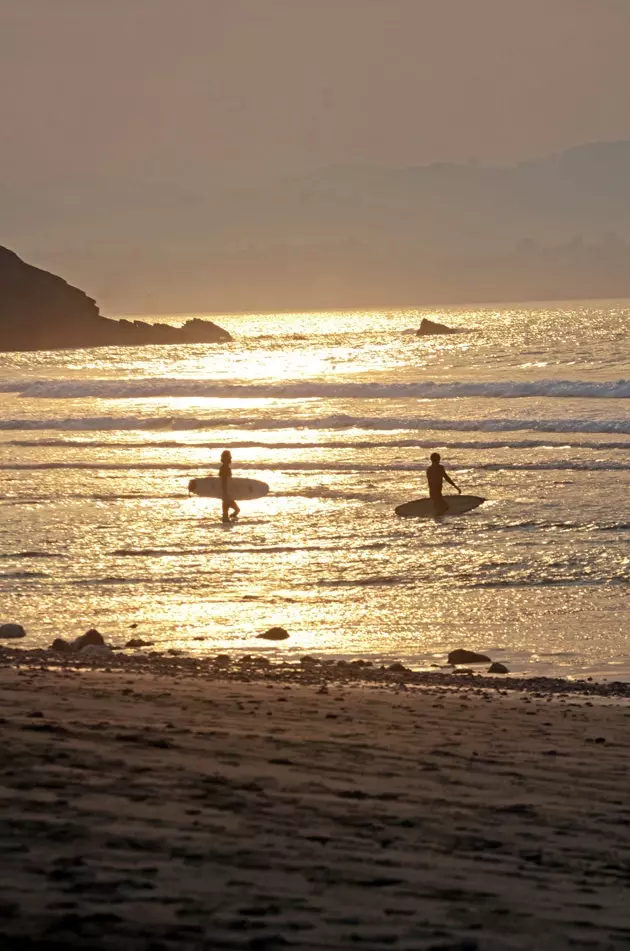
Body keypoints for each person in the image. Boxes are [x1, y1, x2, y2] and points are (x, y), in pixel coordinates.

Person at [218, 450, 240, 523]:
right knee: (226, 502)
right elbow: (224, 480)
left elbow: (226, 480)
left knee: (229, 503)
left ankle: (226, 516)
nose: (230, 459)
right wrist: (225, 490)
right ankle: (225, 516)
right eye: (228, 457)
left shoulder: (224, 467)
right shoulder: (225, 468)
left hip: (227, 489)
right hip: (225, 489)